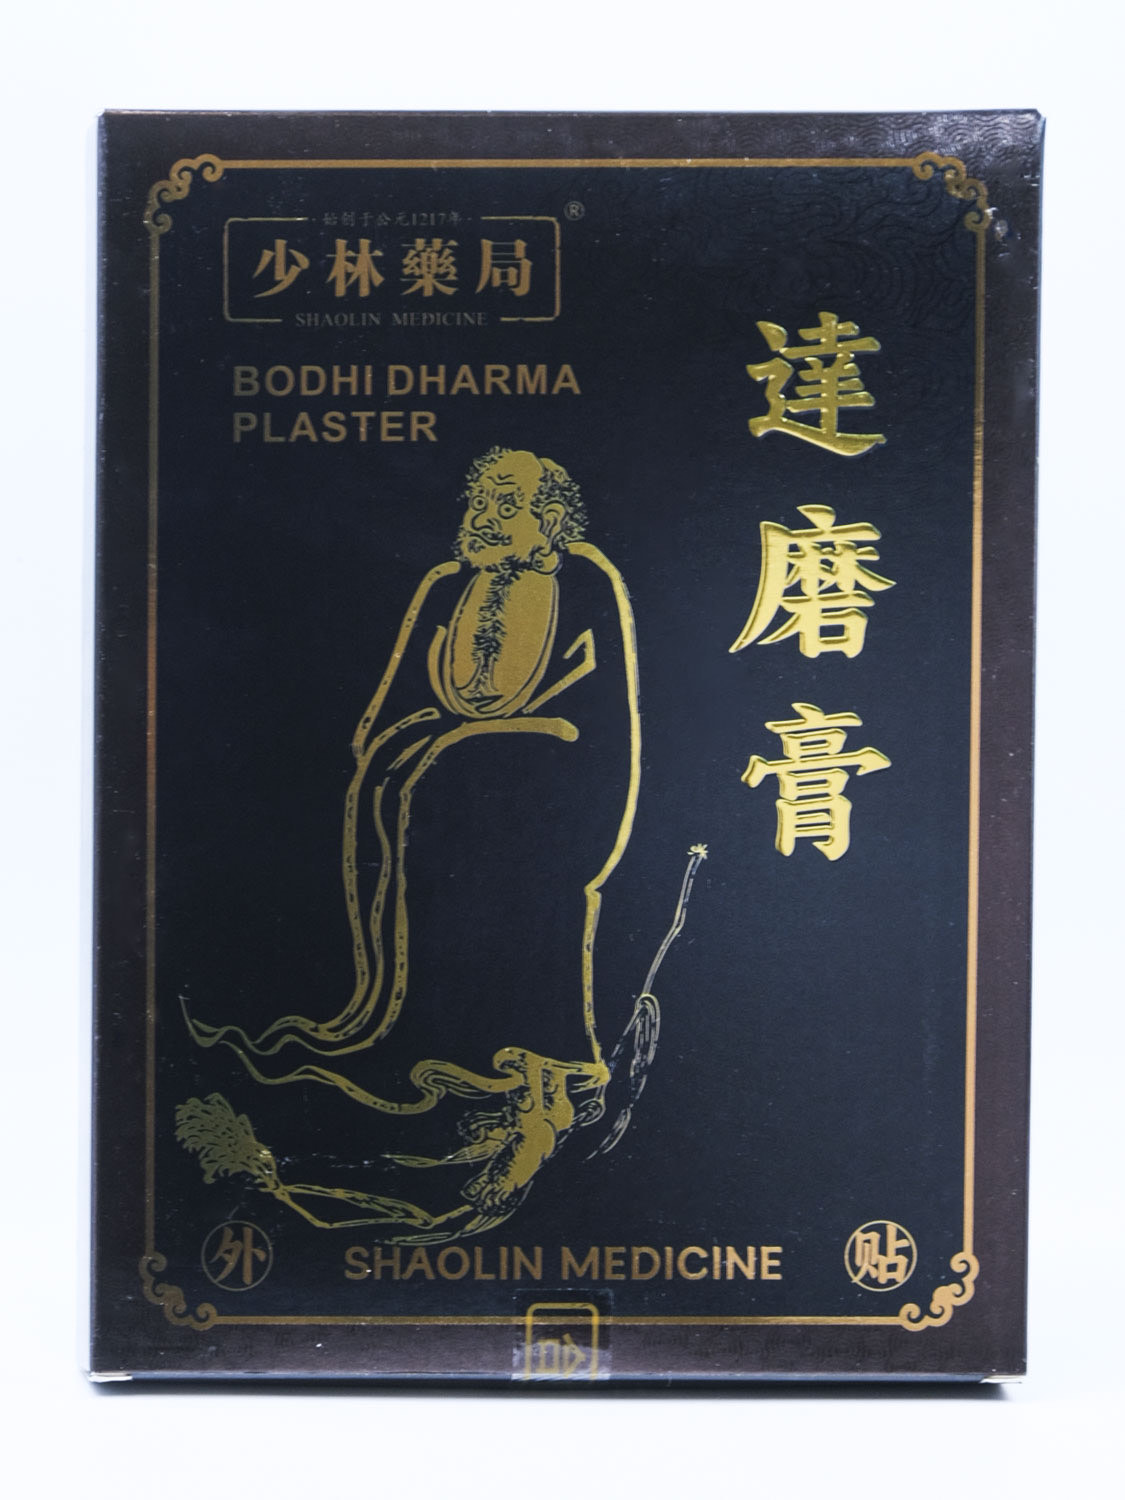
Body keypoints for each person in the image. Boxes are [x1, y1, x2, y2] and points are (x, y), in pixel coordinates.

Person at [184, 448, 641, 1237]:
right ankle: (463, 1063)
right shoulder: (443, 585)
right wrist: (411, 745)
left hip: (558, 778)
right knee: (407, 779)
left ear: (548, 518)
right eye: (481, 499)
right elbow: (389, 709)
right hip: (455, 778)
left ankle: (540, 1101)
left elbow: (606, 719)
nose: (486, 516)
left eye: (506, 503)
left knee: (475, 806)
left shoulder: (586, 579)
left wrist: (478, 747)